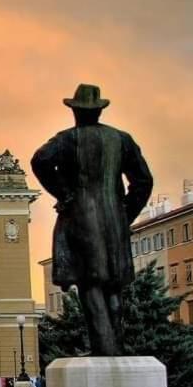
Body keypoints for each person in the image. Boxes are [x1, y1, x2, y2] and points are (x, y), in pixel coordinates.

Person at [31, 84, 153, 356]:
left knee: (90, 282)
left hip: (81, 217)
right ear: (99, 110)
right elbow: (143, 181)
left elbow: (39, 161)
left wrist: (64, 193)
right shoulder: (121, 140)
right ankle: (115, 346)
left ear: (75, 111)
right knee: (113, 283)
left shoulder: (66, 139)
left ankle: (104, 348)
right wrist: (125, 213)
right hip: (114, 219)